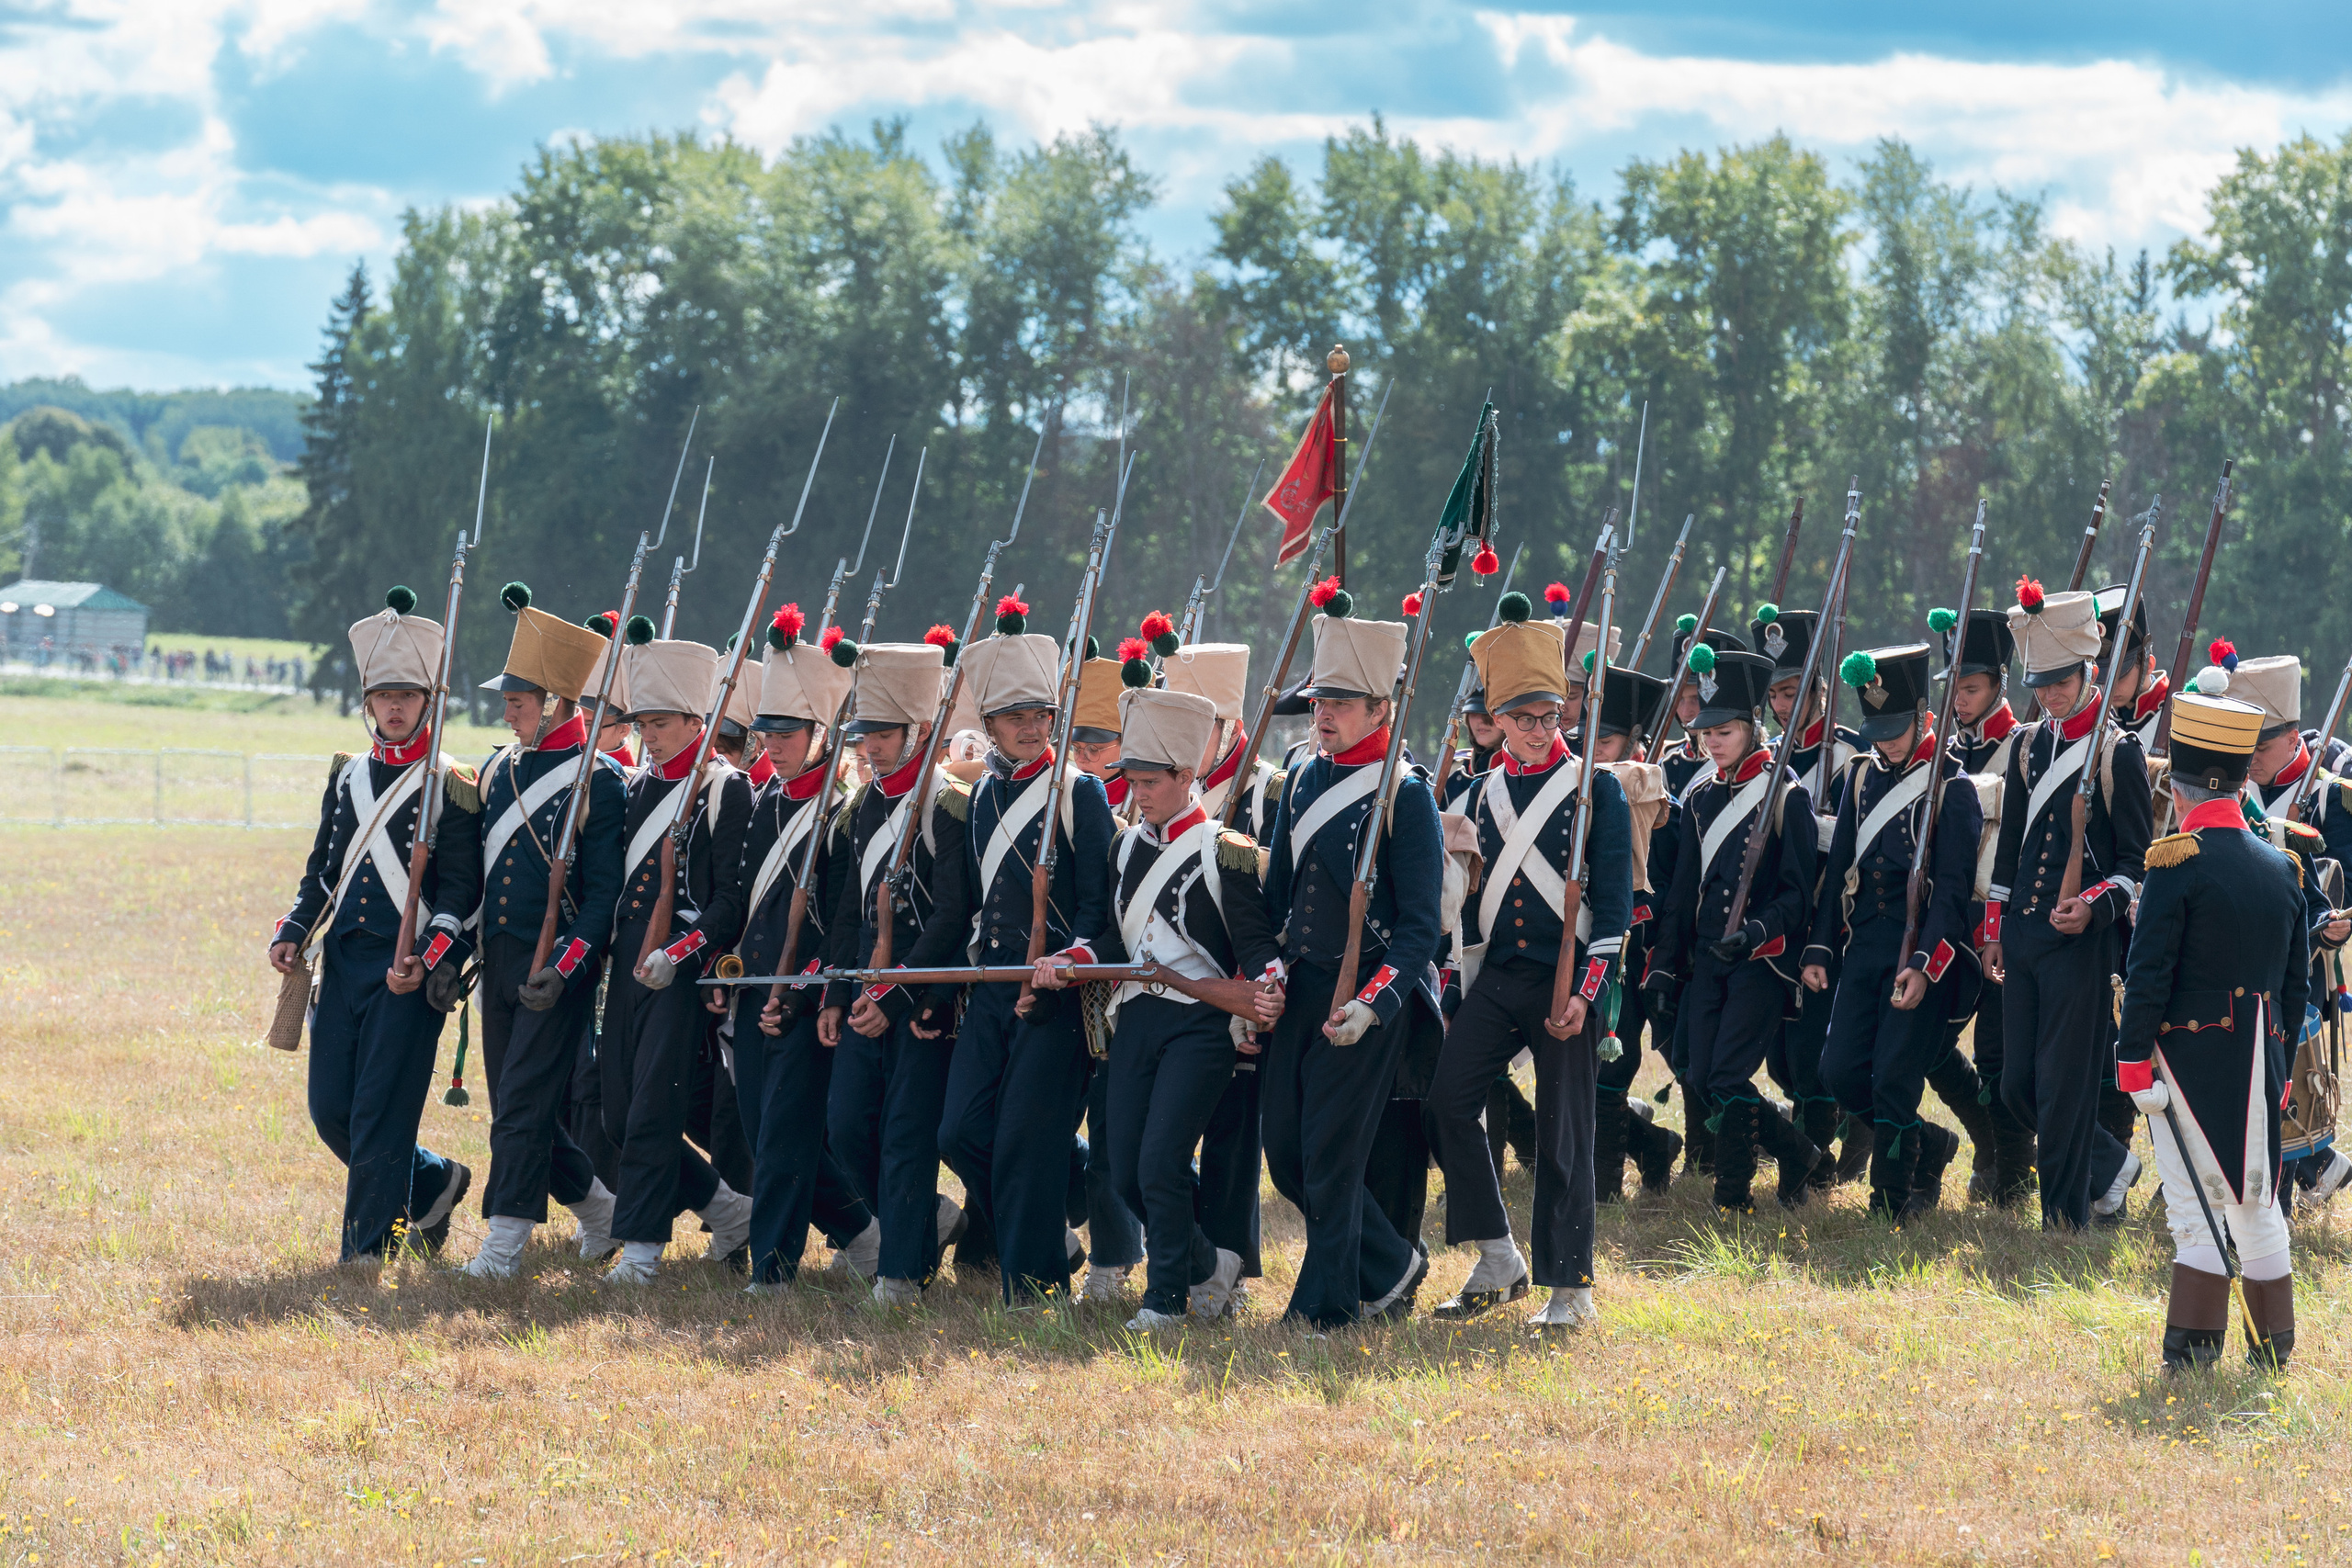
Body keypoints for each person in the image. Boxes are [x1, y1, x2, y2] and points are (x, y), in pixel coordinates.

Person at [1424, 592, 1632, 1327]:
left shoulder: (1595, 790)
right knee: (1448, 1099)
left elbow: (1614, 908)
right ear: (1496, 722)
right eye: (1523, 718)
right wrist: (1452, 997)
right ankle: (1497, 1255)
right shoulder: (1476, 795)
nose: (1541, 730)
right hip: (1500, 977)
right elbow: (1461, 912)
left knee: (1563, 1127)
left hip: (1564, 982)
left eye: (1551, 716)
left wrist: (1589, 994)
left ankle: (1569, 1286)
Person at [1047, 683, 1283, 1329]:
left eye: (1149, 781)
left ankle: (1166, 1296)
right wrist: (1073, 957)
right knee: (1120, 1167)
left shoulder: (1223, 849)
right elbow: (1109, 937)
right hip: (1137, 1017)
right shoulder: (1124, 847)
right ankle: (1210, 1263)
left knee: (1159, 1163)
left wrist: (1264, 993)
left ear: (1186, 776)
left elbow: (1259, 948)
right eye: (1132, 779)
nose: (1136, 792)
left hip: (1202, 1023)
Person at [267, 586, 481, 1267]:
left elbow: (462, 893)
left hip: (408, 972)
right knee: (333, 1109)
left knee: (381, 1115)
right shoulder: (347, 776)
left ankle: (368, 1251)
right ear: (368, 699)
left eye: (409, 695)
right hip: (347, 961)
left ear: (429, 702)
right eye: (385, 694)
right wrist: (296, 928)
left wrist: (427, 953)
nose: (395, 707)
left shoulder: (452, 784)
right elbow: (323, 870)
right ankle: (433, 1181)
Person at [1261, 581, 1444, 1327]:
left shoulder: (1407, 794)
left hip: (1366, 994)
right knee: (1288, 1155)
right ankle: (1394, 1265)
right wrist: (1262, 979)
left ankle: (1326, 1306)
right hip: (1301, 987)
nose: (1324, 714)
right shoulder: (1300, 780)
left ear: (1380, 710)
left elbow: (1420, 928)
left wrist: (1375, 1002)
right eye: (1318, 701)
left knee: (1331, 1156)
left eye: (1340, 702)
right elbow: (1278, 898)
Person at [2116, 691, 2308, 1371]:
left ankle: (2193, 1353)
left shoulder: (2174, 861)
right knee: (2256, 1201)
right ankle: (2273, 1350)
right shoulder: (2284, 868)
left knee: (2195, 1212)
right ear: (2244, 776)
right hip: (2262, 1060)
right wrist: (2278, 1070)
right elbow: (2294, 990)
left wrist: (2132, 1061)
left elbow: (2149, 974)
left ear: (2176, 784)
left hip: (2185, 1063)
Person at [938, 601, 1115, 1304]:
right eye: (1015, 715)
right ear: (989, 726)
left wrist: (1070, 957)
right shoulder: (979, 797)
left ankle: (1035, 1286)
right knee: (961, 1132)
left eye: (1041, 712)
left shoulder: (1081, 793)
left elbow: (1104, 912)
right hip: (992, 987)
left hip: (1058, 993)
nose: (1033, 725)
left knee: (1023, 1143)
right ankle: (1051, 1233)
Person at [460, 583, 624, 1278]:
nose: (507, 712)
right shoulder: (500, 767)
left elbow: (604, 894)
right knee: (516, 1105)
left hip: (555, 968)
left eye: (518, 701)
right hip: (498, 962)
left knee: (522, 1105)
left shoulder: (601, 780)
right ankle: (601, 1210)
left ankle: (505, 1241)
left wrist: (568, 964)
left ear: (559, 702)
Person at [1980, 581, 2152, 1231]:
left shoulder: (2118, 752)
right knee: (2015, 1084)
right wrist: (1994, 929)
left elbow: (2138, 865)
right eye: (2041, 681)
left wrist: (2095, 906)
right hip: (2023, 940)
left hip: (2081, 947)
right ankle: (2108, 1169)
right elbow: (2009, 853)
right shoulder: (2028, 745)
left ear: (2087, 671)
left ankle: (2065, 1218)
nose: (2049, 693)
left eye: (2061, 679)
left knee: (2060, 1087)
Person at [1645, 643, 1832, 1212]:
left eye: (1724, 730)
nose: (1712, 742)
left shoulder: (1786, 795)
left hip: (1760, 959)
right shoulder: (1700, 797)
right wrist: (1662, 964)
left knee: (1726, 1075)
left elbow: (1799, 893)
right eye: (1706, 732)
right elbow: (1681, 893)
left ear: (1751, 727)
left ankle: (1733, 1196)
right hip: (1706, 955)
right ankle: (1798, 1151)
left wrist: (1756, 931)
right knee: (1699, 1076)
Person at [598, 621, 757, 1284]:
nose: (647, 734)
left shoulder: (724, 787)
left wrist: (683, 951)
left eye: (660, 722)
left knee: (653, 1107)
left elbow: (730, 900)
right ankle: (727, 1208)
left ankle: (640, 1248)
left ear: (697, 719)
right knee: (615, 1110)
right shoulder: (639, 786)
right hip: (631, 961)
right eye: (642, 722)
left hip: (680, 967)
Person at [729, 604, 880, 1291]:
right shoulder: (767, 801)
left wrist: (803, 988)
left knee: (786, 1133)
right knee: (767, 1130)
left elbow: (843, 922)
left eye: (789, 732)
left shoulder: (843, 811)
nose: (775, 743)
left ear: (822, 733)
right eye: (768, 731)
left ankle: (774, 1269)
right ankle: (865, 1233)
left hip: (809, 993)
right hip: (759, 987)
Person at [1804, 644, 1983, 1218]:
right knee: (1838, 1071)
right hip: (1864, 949)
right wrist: (1820, 945)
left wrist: (1925, 964)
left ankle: (1889, 1204)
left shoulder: (1952, 788)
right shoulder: (1859, 781)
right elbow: (1838, 874)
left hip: (1922, 953)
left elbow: (1953, 891)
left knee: (1894, 1081)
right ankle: (1928, 1147)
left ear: (1925, 719)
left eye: (1897, 730)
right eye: (1877, 730)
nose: (1885, 742)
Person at [820, 640, 973, 1307]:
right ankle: (920, 1224)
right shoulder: (863, 807)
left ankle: (902, 1270)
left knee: (909, 1130)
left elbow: (949, 916)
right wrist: (836, 991)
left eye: (884, 735)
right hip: (865, 988)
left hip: (922, 994)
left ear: (915, 731)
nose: (872, 748)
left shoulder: (947, 805)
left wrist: (900, 990)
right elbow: (847, 913)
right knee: (848, 1125)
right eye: (866, 736)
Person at [2190, 643, 2352, 1209]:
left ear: (2292, 737)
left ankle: (2281, 1188)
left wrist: (2329, 923)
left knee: (2279, 1084)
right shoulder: (2232, 788)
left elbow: (2343, 883)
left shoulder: (2331, 799)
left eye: (2260, 744)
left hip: (2302, 963)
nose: (2250, 756)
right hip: (2238, 955)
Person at [1933, 606, 2033, 1205]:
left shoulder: (2021, 748)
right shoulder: (1946, 749)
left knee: (1996, 1051)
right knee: (1930, 1045)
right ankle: (1987, 1139)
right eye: (1956, 688)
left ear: (1999, 681)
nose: (1961, 699)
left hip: (2003, 920)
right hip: (1952, 917)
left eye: (1971, 688)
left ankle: (2013, 1172)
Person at [1577, 659, 1682, 1201]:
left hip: (1638, 951)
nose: (1593, 751)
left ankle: (1604, 1189)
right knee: (1587, 1064)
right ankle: (1651, 1146)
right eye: (1586, 739)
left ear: (1636, 746)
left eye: (1607, 739)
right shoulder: (1572, 791)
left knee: (1615, 1063)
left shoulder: (1662, 808)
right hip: (1585, 941)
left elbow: (1669, 889)